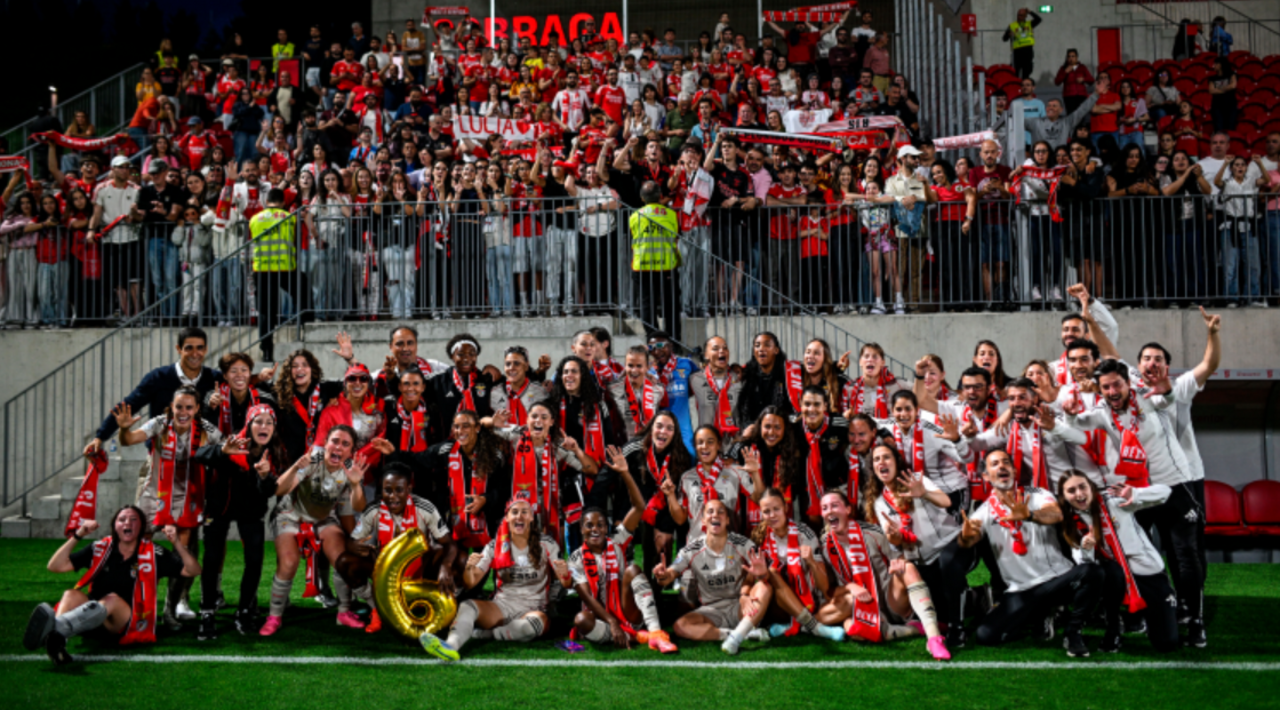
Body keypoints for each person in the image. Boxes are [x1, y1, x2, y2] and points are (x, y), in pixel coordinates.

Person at [1131, 307, 1220, 645]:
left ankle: (1192, 611)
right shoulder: (1130, 394)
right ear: (1138, 366)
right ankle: (1155, 605)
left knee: (1186, 550)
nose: (1151, 363)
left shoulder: (1181, 387)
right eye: (1145, 358)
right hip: (1143, 485)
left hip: (1185, 481)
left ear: (1166, 366)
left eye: (1157, 359)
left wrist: (1212, 334)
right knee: (1144, 548)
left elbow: (1209, 365)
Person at [958, 449, 1101, 656]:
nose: (1002, 467)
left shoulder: (1036, 493)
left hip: (1056, 580)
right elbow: (968, 541)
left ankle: (1072, 632)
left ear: (1015, 471)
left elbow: (1056, 513)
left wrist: (1030, 515)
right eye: (995, 464)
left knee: (1093, 572)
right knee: (986, 636)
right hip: (1022, 590)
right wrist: (965, 537)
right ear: (986, 477)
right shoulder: (984, 511)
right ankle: (1041, 614)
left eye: (1006, 462)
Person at [24, 506, 200, 664]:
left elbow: (193, 570)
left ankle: (56, 630)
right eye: (121, 519)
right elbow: (55, 566)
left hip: (124, 621)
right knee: (71, 594)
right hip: (90, 616)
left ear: (141, 527)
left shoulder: (153, 551)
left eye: (133, 519)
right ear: (115, 526)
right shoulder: (101, 547)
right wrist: (78, 535)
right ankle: (58, 644)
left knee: (112, 599)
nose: (127, 523)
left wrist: (176, 542)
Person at [112, 386, 221, 629]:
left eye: (189, 407)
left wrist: (228, 451)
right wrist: (123, 428)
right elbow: (129, 440)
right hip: (154, 495)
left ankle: (169, 610)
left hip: (187, 499)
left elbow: (226, 450)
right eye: (179, 406)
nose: (183, 412)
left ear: (196, 409)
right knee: (138, 555)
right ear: (171, 407)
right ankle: (134, 608)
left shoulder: (207, 430)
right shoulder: (159, 424)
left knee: (182, 556)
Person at [419, 499, 567, 661]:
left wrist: (564, 574)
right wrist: (469, 568)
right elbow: (470, 582)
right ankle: (451, 645)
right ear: (507, 518)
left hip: (533, 609)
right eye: (515, 512)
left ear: (532, 518)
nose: (520, 516)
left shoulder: (547, 544)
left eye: (525, 512)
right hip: (502, 606)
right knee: (468, 606)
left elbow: (566, 583)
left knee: (532, 626)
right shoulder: (494, 545)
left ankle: (488, 635)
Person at [260, 426, 370, 635]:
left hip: (322, 518)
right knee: (289, 562)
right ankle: (274, 616)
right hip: (290, 515)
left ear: (351, 451)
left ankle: (344, 612)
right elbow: (279, 490)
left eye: (345, 444)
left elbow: (356, 508)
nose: (338, 447)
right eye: (335, 441)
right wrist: (294, 468)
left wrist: (356, 485)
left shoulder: (350, 468)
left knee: (342, 560)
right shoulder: (314, 457)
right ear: (326, 443)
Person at [814, 491, 950, 658]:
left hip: (891, 601)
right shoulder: (824, 546)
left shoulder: (872, 532)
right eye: (824, 508)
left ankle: (934, 637)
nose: (829, 511)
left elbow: (901, 559)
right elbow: (830, 591)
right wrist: (850, 586)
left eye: (835, 505)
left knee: (908, 569)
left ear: (848, 509)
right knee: (852, 628)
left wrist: (898, 563)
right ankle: (914, 629)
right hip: (860, 606)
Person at [1057, 472, 1179, 653]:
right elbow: (1085, 565)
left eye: (1082, 486)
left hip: (1146, 573)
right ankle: (1113, 628)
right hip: (1116, 578)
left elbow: (1165, 492)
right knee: (1108, 570)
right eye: (1071, 490)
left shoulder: (1113, 501)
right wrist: (1086, 547)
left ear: (1091, 486)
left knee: (1167, 643)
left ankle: (1142, 617)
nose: (1079, 494)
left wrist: (1135, 494)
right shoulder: (1071, 520)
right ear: (1064, 496)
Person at [193, 403, 283, 638]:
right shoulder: (233, 442)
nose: (263, 426)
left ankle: (244, 610)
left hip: (250, 512)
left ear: (274, 427)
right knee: (211, 559)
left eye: (269, 422)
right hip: (219, 508)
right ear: (249, 425)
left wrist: (264, 477)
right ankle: (207, 611)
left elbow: (268, 491)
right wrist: (222, 451)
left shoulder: (274, 451)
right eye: (258, 421)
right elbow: (199, 455)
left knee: (255, 560)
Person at [569, 458, 676, 651]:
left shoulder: (616, 541)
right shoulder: (576, 558)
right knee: (581, 619)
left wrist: (625, 473)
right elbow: (587, 598)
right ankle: (629, 636)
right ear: (581, 529)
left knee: (633, 569)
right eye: (589, 525)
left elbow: (639, 508)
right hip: (601, 618)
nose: (595, 529)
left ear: (606, 527)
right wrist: (611, 622)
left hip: (627, 612)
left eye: (600, 525)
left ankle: (655, 633)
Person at [345, 464, 457, 634]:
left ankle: (453, 608)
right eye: (387, 490)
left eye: (399, 490)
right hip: (385, 577)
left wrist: (446, 566)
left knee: (460, 560)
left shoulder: (424, 507)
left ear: (409, 489)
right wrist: (354, 546)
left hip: (419, 574)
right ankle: (376, 607)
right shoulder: (374, 509)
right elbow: (351, 542)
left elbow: (449, 543)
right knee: (345, 562)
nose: (392, 496)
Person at [652, 499, 772, 655]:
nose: (715, 515)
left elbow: (765, 574)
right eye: (710, 512)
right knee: (680, 626)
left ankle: (736, 638)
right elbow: (670, 575)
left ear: (728, 520)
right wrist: (662, 575)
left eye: (721, 512)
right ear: (702, 520)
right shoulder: (691, 550)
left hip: (740, 607)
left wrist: (761, 575)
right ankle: (738, 634)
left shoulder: (743, 544)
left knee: (764, 587)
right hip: (711, 610)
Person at [248, 189, 296, 363]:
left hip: (261, 268)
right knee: (302, 290)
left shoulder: (255, 219)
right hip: (285, 268)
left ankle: (266, 351)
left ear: (266, 201)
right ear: (283, 202)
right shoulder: (290, 217)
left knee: (265, 312)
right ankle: (305, 321)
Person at [629, 182, 680, 340]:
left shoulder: (635, 216)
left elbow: (634, 235)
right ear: (660, 196)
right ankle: (673, 339)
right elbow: (675, 236)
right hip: (667, 265)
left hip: (642, 266)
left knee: (646, 304)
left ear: (642, 197)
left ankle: (653, 337)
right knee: (670, 304)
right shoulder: (671, 214)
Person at [647, 332, 697, 451]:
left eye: (660, 346)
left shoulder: (687, 364)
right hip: (661, 431)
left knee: (690, 457)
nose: (656, 351)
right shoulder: (648, 371)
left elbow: (704, 379)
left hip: (683, 429)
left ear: (671, 346)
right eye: (651, 348)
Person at [689, 336, 744, 438]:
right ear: (706, 355)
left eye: (725, 348)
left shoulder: (738, 379)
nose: (722, 351)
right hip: (706, 442)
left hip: (732, 442)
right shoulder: (695, 379)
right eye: (715, 348)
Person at [374, 325, 450, 399]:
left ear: (416, 345)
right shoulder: (378, 377)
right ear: (391, 347)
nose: (405, 348)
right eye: (400, 344)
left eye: (410, 343)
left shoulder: (437, 368)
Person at [608, 345, 665, 440]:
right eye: (630, 365)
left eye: (639, 366)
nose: (634, 370)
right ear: (625, 366)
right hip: (623, 447)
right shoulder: (613, 390)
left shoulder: (658, 390)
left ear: (647, 367)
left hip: (649, 446)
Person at [1003, 8, 1042, 79]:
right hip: (1017, 51)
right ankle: (1016, 87)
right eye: (1018, 15)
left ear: (1025, 16)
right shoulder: (1012, 25)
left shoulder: (1029, 24)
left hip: (1028, 50)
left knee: (1027, 71)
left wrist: (1030, 12)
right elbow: (1004, 39)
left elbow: (1039, 19)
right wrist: (1008, 35)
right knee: (1016, 71)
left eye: (1021, 15)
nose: (1018, 17)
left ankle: (1024, 87)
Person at [1053, 49, 1094, 115]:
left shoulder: (1082, 67)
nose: (1071, 58)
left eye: (1073, 56)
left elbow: (1091, 80)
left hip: (1081, 95)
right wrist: (1065, 72)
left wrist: (1083, 79)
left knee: (1082, 115)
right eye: (1069, 56)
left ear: (1076, 57)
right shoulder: (1063, 68)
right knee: (1071, 115)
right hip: (1069, 96)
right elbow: (1057, 82)